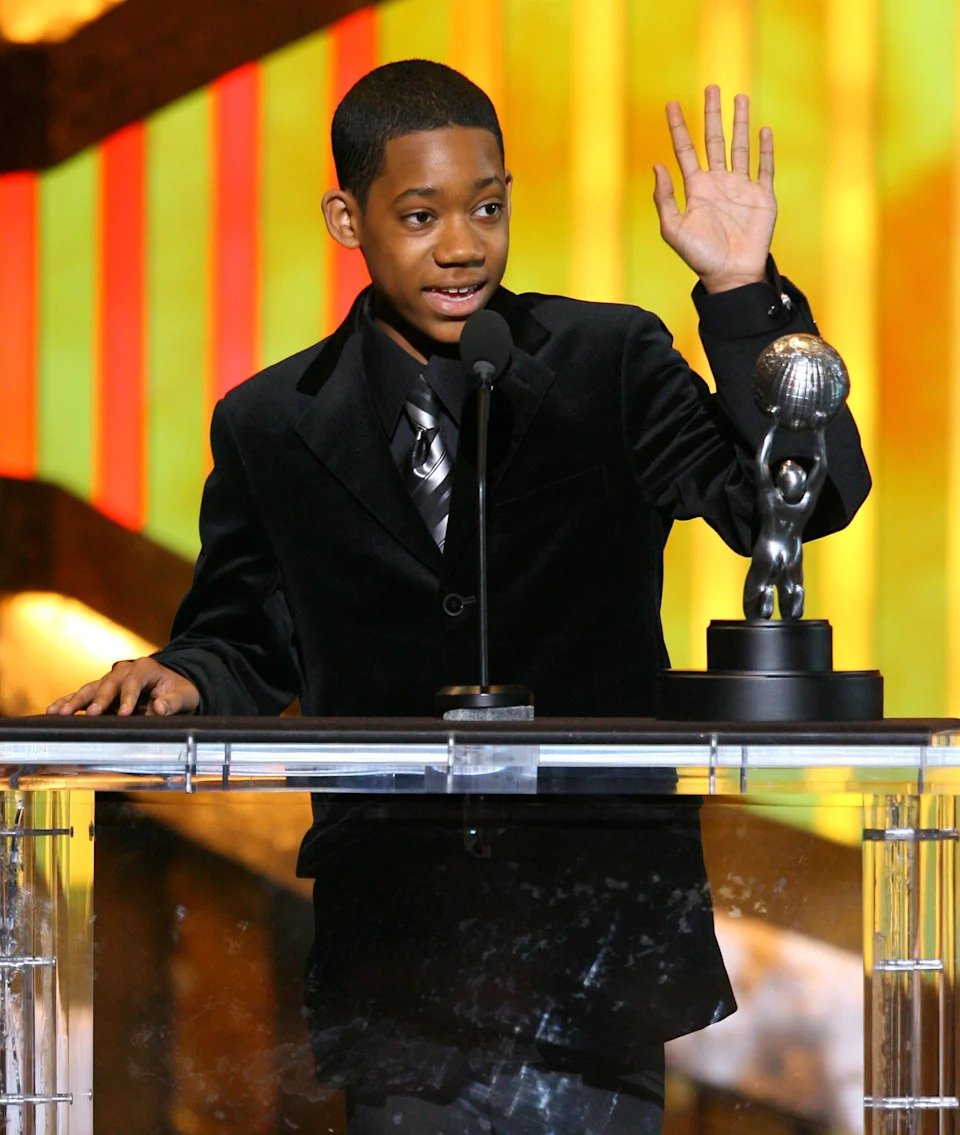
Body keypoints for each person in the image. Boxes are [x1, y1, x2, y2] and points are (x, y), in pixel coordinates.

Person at [49, 60, 870, 1133]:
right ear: (348, 218)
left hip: (595, 944)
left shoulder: (605, 360)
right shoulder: (271, 425)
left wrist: (740, 292)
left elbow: (806, 503)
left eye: (488, 208)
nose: (463, 245)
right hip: (401, 955)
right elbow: (248, 636)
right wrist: (181, 674)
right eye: (422, 215)